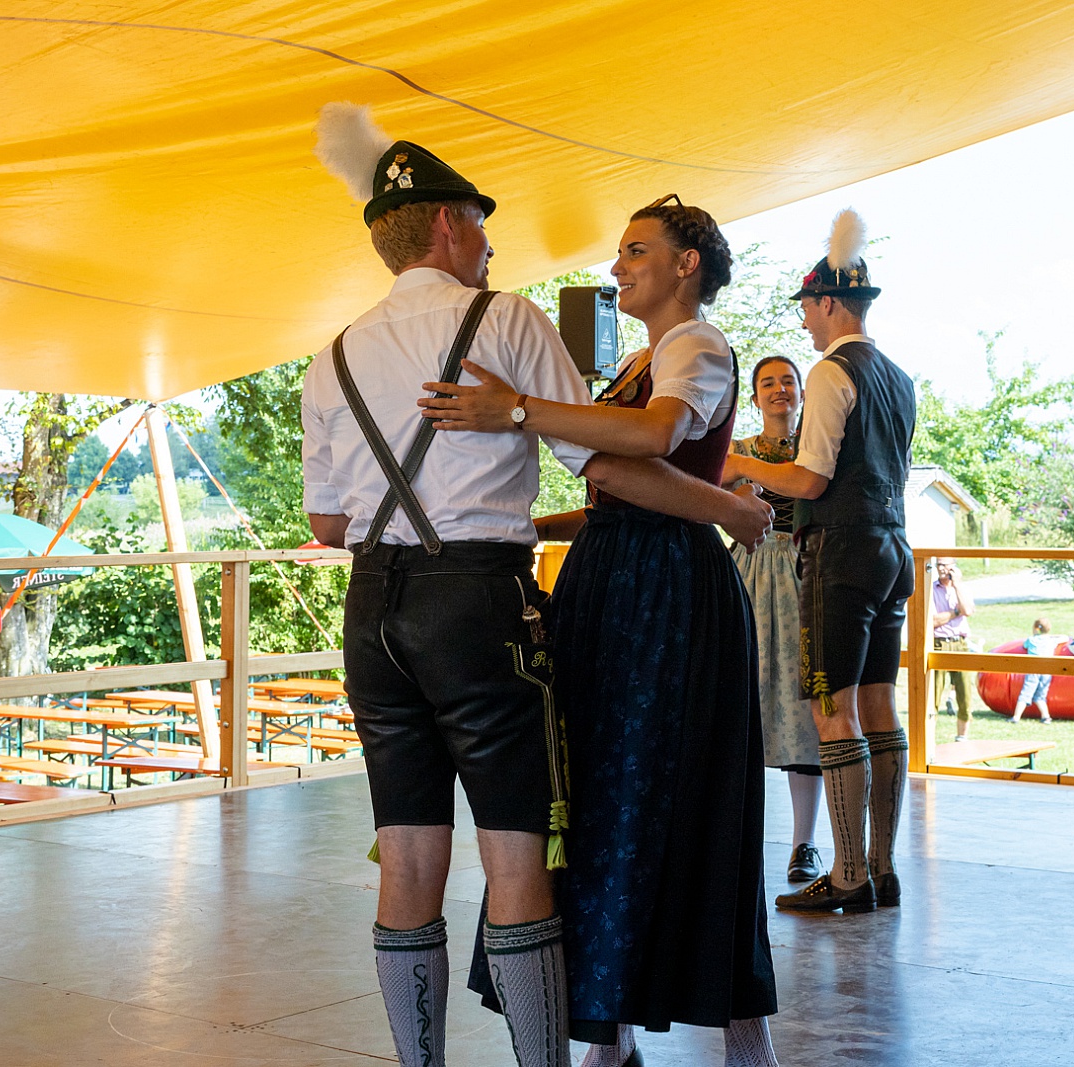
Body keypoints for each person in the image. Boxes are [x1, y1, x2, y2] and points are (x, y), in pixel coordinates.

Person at [306, 108, 771, 1067]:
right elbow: (593, 459)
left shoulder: (332, 354)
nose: (491, 245)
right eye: (481, 225)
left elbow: (328, 524)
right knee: (519, 848)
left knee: (408, 851)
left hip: (372, 608)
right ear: (447, 225)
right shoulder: (506, 318)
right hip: (479, 602)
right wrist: (728, 508)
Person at [419, 194, 781, 1066]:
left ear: (688, 264)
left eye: (636, 250)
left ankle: (732, 1038)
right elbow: (616, 484)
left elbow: (651, 440)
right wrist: (529, 522)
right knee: (607, 792)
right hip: (620, 577)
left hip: (665, 591)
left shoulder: (696, 344)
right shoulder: (647, 356)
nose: (617, 266)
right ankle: (610, 1034)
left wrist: (519, 409)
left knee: (656, 791)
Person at [725, 209, 916, 916]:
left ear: (830, 303)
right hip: (894, 548)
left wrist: (739, 463)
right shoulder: (899, 377)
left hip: (838, 554)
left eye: (808, 306)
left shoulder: (832, 372)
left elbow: (808, 480)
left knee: (830, 709)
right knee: (879, 705)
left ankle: (846, 873)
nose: (805, 319)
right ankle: (882, 869)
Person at [729, 356, 825, 884]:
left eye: (788, 381)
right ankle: (734, 840)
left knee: (800, 701)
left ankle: (803, 843)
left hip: (800, 570)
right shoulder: (736, 450)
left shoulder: (814, 449)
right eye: (768, 383)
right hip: (746, 569)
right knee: (742, 696)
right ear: (755, 397)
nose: (778, 389)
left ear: (801, 393)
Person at [930, 557, 976, 740]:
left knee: (965, 693)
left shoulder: (962, 588)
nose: (941, 568)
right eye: (938, 565)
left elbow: (968, 610)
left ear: (953, 567)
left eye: (945, 565)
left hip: (960, 643)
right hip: (938, 643)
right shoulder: (931, 590)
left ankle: (962, 737)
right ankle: (929, 737)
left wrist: (957, 585)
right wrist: (956, 612)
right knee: (932, 695)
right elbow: (933, 621)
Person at [1011, 619, 1064, 724]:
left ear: (1036, 629)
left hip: (1033, 670)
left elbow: (1024, 646)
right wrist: (1052, 636)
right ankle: (1046, 716)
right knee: (1040, 695)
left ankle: (1016, 717)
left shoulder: (1031, 640)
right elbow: (1065, 637)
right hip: (1046, 670)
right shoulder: (1052, 641)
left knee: (1026, 692)